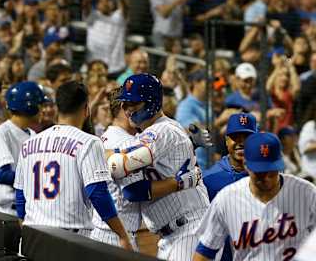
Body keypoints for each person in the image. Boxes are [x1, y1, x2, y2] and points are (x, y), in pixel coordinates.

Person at [14, 81, 132, 250]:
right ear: (86, 109)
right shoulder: (89, 142)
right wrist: (121, 234)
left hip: (31, 234)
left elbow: (20, 196)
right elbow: (97, 193)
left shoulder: (29, 143)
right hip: (68, 239)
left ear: (57, 108)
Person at [105, 74, 209, 260]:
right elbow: (131, 188)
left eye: (133, 103)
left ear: (152, 102)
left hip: (189, 228)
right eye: (124, 104)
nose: (126, 109)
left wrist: (99, 154)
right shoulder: (148, 134)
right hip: (173, 233)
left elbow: (117, 166)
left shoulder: (162, 130)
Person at [193, 132, 316, 261]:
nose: (267, 178)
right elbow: (205, 251)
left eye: (272, 171)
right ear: (246, 164)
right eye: (260, 173)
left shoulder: (306, 193)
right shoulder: (226, 199)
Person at [90, 88, 141, 249]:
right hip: (118, 235)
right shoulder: (126, 142)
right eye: (135, 105)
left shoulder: (105, 136)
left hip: (100, 230)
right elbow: (135, 192)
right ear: (123, 108)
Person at [202, 112, 258, 260]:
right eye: (235, 137)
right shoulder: (211, 179)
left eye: (247, 137)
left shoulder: (267, 174)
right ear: (226, 141)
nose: (241, 142)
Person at [0, 81, 45, 215]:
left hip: (31, 210)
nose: (44, 110)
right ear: (30, 107)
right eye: (41, 105)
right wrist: (38, 178)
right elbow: (2, 175)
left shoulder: (34, 135)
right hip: (7, 211)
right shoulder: (1, 132)